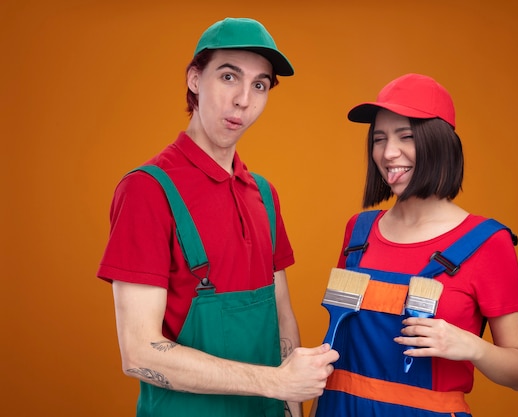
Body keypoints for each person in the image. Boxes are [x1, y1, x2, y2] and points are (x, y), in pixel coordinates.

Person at [97, 17, 338, 417]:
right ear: (195, 79)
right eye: (229, 77)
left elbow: (282, 320)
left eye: (259, 85)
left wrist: (292, 407)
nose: (244, 99)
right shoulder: (147, 190)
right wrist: (274, 382)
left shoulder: (263, 194)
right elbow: (138, 353)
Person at [311, 74, 518, 417]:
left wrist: (470, 346)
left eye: (406, 136)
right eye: (379, 138)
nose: (388, 153)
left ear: (439, 142)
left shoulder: (488, 242)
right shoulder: (359, 232)